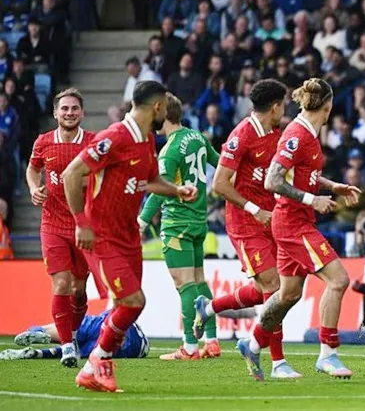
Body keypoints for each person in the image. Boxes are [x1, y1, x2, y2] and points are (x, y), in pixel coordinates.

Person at [62, 81, 198, 392]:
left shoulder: (147, 138)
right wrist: (81, 222)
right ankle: (99, 360)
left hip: (128, 236)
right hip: (101, 236)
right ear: (158, 107)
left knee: (132, 304)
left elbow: (149, 179)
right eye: (165, 104)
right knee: (133, 301)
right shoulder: (114, 137)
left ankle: (90, 368)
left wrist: (176, 190)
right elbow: (72, 173)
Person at [247, 78, 361, 379]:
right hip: (293, 222)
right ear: (328, 105)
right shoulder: (297, 135)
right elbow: (272, 181)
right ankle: (328, 354)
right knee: (338, 280)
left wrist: (332, 185)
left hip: (293, 221)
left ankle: (254, 341)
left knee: (288, 294)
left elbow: (302, 174)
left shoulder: (307, 133)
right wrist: (314, 199)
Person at [193, 79, 302, 380]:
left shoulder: (276, 134)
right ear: (276, 106)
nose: (285, 110)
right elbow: (219, 184)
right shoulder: (241, 135)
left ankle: (209, 307)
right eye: (284, 105)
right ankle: (277, 362)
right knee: (275, 288)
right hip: (245, 223)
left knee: (263, 292)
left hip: (272, 218)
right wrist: (255, 209)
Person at [137, 93, 220, 360]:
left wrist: (142, 220)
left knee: (185, 285)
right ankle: (212, 339)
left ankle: (190, 347)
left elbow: (160, 190)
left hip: (177, 224)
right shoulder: (198, 137)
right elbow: (221, 164)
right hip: (198, 221)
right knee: (198, 281)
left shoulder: (169, 149)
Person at [24, 88, 96, 368]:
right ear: (55, 113)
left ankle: (73, 334)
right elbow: (32, 169)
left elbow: (104, 175)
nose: (69, 113)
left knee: (79, 290)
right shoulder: (43, 142)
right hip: (52, 223)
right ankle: (67, 346)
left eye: (74, 108)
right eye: (64, 108)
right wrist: (33, 188)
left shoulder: (93, 143)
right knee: (62, 284)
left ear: (82, 112)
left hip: (82, 226)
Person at [1, 311, 149, 361]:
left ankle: (38, 331)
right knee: (78, 351)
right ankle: (40, 353)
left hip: (107, 324)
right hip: (130, 347)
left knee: (71, 334)